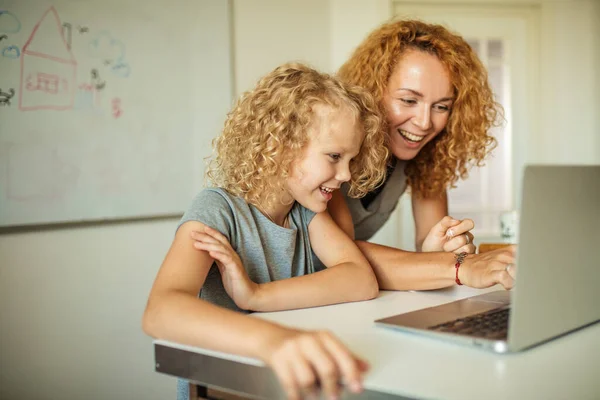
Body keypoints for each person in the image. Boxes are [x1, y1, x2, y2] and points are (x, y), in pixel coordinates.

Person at [142, 63, 389, 400]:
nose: (346, 175)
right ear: (282, 145)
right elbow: (160, 311)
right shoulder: (217, 210)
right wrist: (272, 339)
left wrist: (255, 295)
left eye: (351, 160)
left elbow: (361, 279)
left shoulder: (306, 214)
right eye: (334, 156)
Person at [327, 19, 517, 290]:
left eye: (441, 106)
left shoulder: (423, 156)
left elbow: (432, 246)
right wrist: (459, 267)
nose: (425, 122)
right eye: (408, 101)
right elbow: (341, 256)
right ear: (370, 92)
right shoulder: (329, 150)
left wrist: (443, 248)